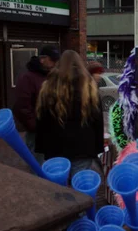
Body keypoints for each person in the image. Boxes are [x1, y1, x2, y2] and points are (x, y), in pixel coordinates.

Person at [35, 50, 104, 178]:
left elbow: (41, 119)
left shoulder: (48, 86)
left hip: (55, 147)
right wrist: (97, 148)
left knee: (58, 189)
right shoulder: (89, 87)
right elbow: (97, 120)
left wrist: (41, 147)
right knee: (80, 187)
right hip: (83, 147)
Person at [13, 46, 60, 159]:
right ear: (42, 59)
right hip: (37, 133)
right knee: (38, 167)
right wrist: (34, 126)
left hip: (52, 131)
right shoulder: (27, 78)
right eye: (53, 60)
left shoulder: (52, 76)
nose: (55, 63)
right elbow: (22, 106)